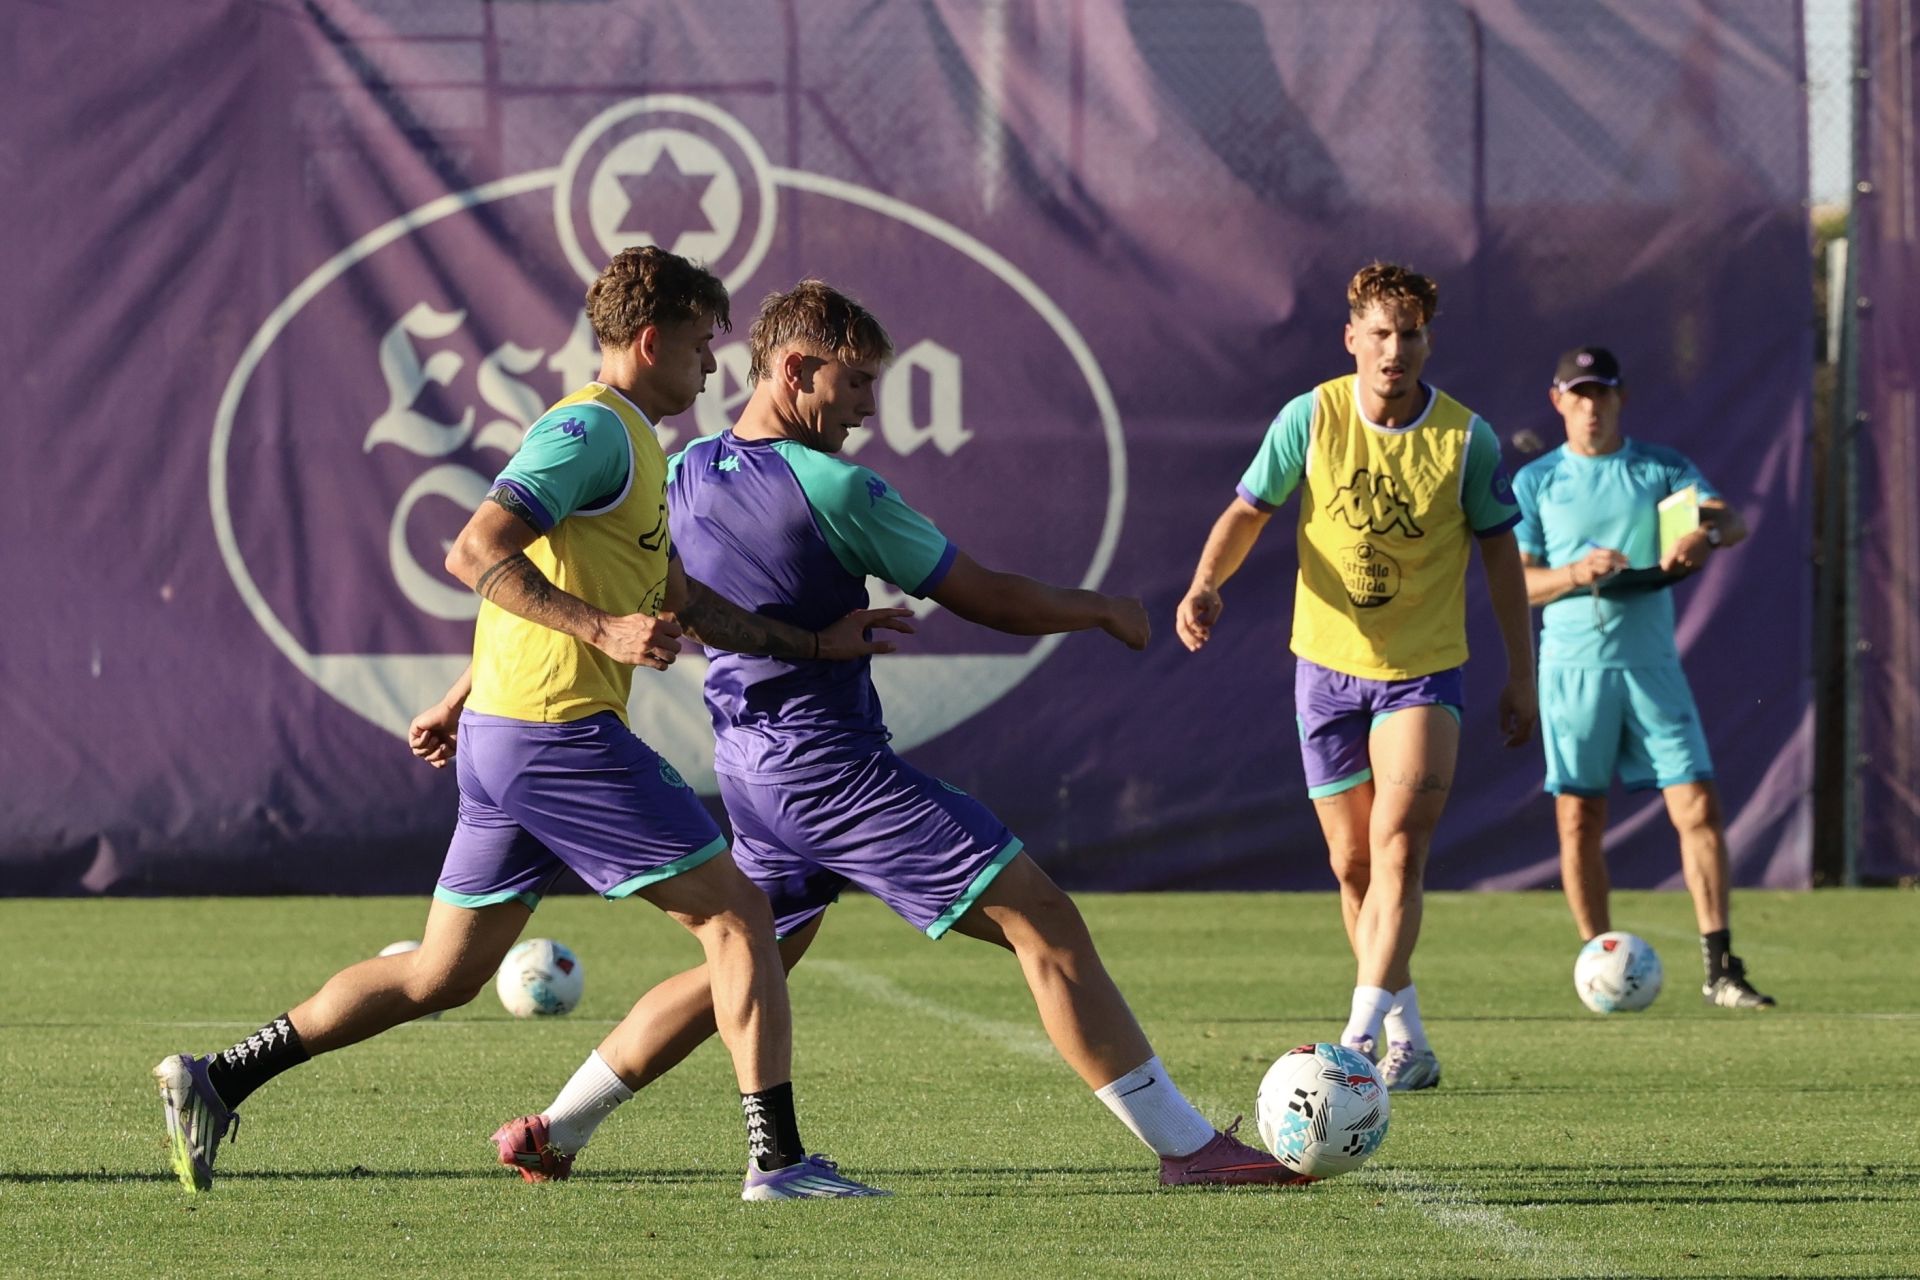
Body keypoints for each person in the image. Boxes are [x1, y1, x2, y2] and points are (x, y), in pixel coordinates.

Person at [483, 278, 1306, 1189]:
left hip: (753, 772)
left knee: (746, 960)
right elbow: (987, 597)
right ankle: (1188, 1151)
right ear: (797, 370)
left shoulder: (680, 473)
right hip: (834, 776)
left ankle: (559, 1128)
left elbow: (613, 584)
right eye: (859, 383)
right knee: (1045, 921)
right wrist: (1102, 610)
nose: (869, 410)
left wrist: (465, 689)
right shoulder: (835, 486)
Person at [153, 246, 909, 1201]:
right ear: (647, 341)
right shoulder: (590, 430)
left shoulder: (640, 448)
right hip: (560, 737)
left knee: (440, 976)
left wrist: (812, 646)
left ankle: (218, 1079)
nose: (712, 367)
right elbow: (476, 550)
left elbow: (686, 603)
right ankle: (780, 1163)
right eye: (697, 345)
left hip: (514, 734)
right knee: (742, 918)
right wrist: (600, 629)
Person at [1175, 262, 1536, 1092]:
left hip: (1421, 675)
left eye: (1409, 335)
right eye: (1378, 333)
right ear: (1352, 339)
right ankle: (1408, 1034)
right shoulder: (1313, 416)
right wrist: (1206, 584)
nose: (1393, 350)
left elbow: (1501, 557)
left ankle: (1356, 1036)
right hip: (1326, 674)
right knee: (1353, 867)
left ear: (1426, 342)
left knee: (1400, 846)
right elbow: (1248, 511)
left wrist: (1523, 673)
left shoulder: (1465, 440)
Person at [1512, 346, 1773, 1009]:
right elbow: (1517, 582)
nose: (1590, 406)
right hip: (1573, 669)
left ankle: (1721, 967)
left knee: (1698, 808)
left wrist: (1701, 537)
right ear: (1558, 401)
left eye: (1601, 393)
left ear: (1620, 398)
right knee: (1579, 819)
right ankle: (1600, 966)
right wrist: (1576, 573)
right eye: (1578, 393)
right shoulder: (1538, 481)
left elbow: (1731, 520)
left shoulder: (1659, 470)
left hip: (1651, 666)